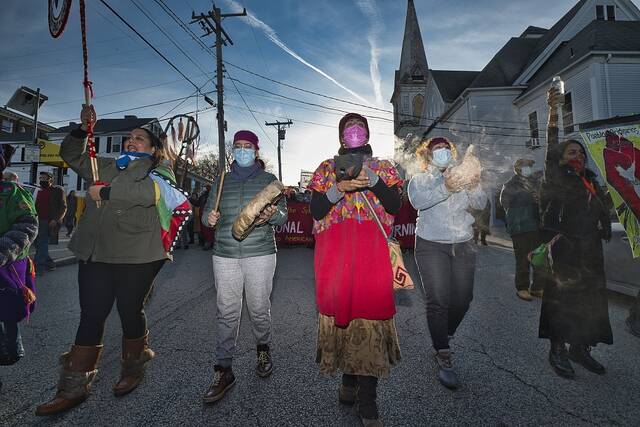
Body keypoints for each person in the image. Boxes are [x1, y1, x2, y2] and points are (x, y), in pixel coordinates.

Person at [36, 104, 188, 415]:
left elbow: (151, 194)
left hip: (139, 255)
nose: (131, 141)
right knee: (92, 315)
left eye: (140, 139)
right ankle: (74, 386)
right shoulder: (105, 165)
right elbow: (70, 154)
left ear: (154, 149)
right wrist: (82, 129)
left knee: (129, 310)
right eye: (129, 137)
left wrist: (104, 194)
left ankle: (134, 364)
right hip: (96, 251)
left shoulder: (159, 170)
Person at [309, 113, 402, 426]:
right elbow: (317, 209)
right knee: (345, 315)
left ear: (367, 133)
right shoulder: (326, 168)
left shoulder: (385, 167)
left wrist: (373, 182)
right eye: (348, 128)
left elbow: (394, 206)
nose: (354, 131)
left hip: (372, 254)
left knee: (369, 318)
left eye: (359, 127)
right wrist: (340, 187)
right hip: (336, 253)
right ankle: (348, 380)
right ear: (340, 136)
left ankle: (368, 401)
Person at [201, 130, 287, 404]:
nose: (242, 150)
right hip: (224, 253)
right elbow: (204, 216)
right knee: (226, 312)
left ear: (256, 151)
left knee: (259, 307)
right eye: (237, 146)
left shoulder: (269, 181)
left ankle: (263, 348)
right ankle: (224, 369)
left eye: (247, 146)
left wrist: (273, 215)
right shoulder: (221, 180)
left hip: (260, 253)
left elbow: (283, 217)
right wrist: (209, 218)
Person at [538, 85, 613, 379]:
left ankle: (581, 349)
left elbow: (604, 207)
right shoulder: (556, 176)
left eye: (580, 152)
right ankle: (557, 349)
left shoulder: (591, 181)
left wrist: (606, 223)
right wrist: (553, 114)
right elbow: (551, 143)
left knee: (591, 301)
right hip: (565, 249)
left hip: (591, 250)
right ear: (560, 158)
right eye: (571, 152)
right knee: (563, 300)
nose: (577, 155)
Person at [408, 136, 487, 390]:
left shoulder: (462, 174)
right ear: (427, 156)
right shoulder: (420, 180)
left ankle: (445, 333)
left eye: (445, 149)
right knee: (438, 301)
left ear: (452, 153)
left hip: (462, 243)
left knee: (463, 299)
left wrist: (474, 185)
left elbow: (481, 204)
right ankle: (443, 353)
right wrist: (446, 187)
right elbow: (418, 202)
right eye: (436, 150)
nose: (442, 152)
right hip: (431, 244)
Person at [0, 144, 38, 391]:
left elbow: (27, 224)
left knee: (5, 315)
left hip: (5, 268)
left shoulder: (11, 192)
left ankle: (9, 349)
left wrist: (3, 250)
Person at [500, 159, 545, 301]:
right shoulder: (510, 184)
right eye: (525, 166)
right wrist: (526, 196)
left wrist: (540, 198)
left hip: (536, 225)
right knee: (523, 259)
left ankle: (537, 287)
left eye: (530, 166)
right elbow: (504, 202)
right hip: (520, 226)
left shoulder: (536, 182)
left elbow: (542, 198)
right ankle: (522, 288)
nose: (528, 169)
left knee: (539, 258)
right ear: (518, 169)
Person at [33, 171, 66, 274]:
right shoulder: (37, 190)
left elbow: (63, 206)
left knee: (42, 243)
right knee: (37, 243)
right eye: (41, 178)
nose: (42, 180)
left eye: (44, 178)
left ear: (50, 180)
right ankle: (50, 263)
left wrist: (56, 219)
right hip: (35, 220)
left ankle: (38, 268)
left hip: (47, 220)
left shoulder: (57, 190)